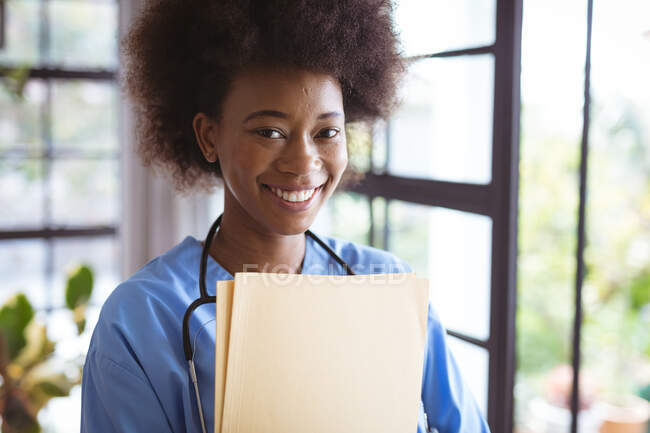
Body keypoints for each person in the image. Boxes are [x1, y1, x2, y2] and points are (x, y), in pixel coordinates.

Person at [80, 0, 490, 432]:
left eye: (326, 132)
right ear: (208, 137)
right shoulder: (142, 319)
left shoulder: (389, 286)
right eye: (269, 132)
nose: (303, 162)